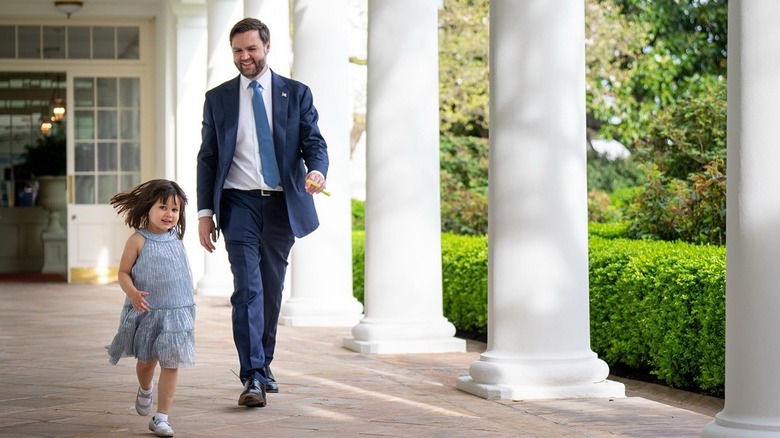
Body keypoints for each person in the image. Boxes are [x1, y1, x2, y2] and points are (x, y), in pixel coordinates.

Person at [196, 17, 328, 408]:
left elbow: (313, 142)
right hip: (237, 204)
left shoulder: (296, 93)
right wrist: (205, 213)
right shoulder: (218, 98)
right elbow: (208, 158)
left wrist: (317, 170)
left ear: (267, 47)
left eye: (251, 49)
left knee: (270, 291)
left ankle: (264, 364)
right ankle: (252, 375)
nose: (244, 57)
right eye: (237, 50)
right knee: (247, 289)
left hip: (281, 204)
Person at [107, 179, 195, 437]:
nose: (169, 214)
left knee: (171, 363)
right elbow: (123, 272)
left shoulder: (176, 239)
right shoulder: (138, 240)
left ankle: (162, 417)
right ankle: (145, 387)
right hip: (147, 311)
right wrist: (132, 293)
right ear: (148, 208)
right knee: (146, 363)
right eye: (163, 207)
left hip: (176, 313)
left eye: (175, 210)